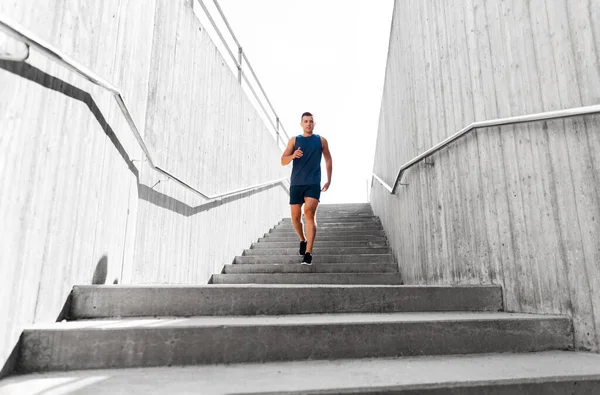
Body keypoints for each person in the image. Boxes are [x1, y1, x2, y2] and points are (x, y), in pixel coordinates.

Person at [281, 112, 333, 265]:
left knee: (309, 213)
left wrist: (329, 180)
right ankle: (302, 240)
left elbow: (328, 159)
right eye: (306, 121)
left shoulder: (321, 141)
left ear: (314, 124)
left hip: (313, 183)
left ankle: (308, 253)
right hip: (296, 183)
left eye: (311, 121)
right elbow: (283, 160)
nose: (308, 124)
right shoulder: (294, 140)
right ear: (301, 124)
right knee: (296, 218)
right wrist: (293, 156)